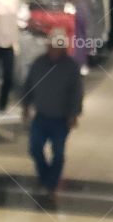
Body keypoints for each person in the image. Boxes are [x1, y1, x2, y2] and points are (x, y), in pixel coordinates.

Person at [20, 32, 83, 210]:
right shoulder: (39, 63)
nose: (54, 50)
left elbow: (76, 92)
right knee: (34, 148)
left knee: (58, 153)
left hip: (60, 119)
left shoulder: (71, 67)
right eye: (51, 46)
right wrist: (25, 105)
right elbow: (28, 84)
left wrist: (73, 114)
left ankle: (51, 184)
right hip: (41, 116)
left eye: (58, 47)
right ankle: (46, 177)